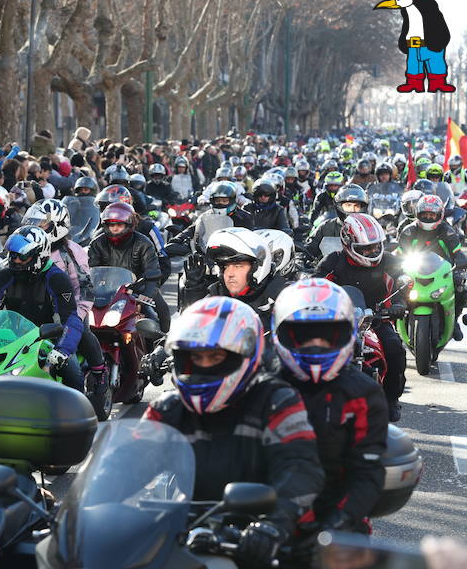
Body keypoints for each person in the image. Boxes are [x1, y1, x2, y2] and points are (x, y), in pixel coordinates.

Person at [142, 297, 324, 568]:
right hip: (184, 537)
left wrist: (272, 526)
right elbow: (123, 464)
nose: (204, 365)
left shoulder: (277, 401)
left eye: (215, 357)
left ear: (243, 355)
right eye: (196, 357)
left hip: (269, 544)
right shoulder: (167, 409)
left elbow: (300, 468)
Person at [272, 279, 388, 551]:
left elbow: (368, 473)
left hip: (337, 525)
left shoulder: (363, 394)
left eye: (326, 334)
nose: (315, 344)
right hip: (265, 521)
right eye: (304, 335)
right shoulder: (263, 386)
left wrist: (338, 522)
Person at [0, 226, 85, 388]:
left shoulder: (57, 279)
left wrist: (63, 350)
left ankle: (79, 411)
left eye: (22, 256)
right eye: (13, 255)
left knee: (73, 374)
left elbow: (70, 318)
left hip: (49, 342)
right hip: (12, 341)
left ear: (39, 255)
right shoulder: (4, 276)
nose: (16, 260)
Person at [314, 213, 407, 422]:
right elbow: (316, 286)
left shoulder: (388, 261)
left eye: (375, 246)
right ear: (348, 243)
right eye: (365, 249)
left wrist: (399, 304)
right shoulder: (333, 261)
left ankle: (391, 399)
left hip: (377, 319)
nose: (372, 252)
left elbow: (401, 286)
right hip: (338, 322)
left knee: (395, 349)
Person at [22, 199, 108, 389]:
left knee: (83, 333)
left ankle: (99, 371)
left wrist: (75, 316)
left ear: (58, 226)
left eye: (41, 224)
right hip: (33, 310)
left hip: (66, 312)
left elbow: (85, 290)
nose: (35, 228)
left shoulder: (72, 253)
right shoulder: (25, 248)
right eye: (32, 222)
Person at [396, 194, 467, 340]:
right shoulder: (409, 231)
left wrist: (460, 259)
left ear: (439, 214)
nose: (428, 217)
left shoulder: (447, 230)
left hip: (443, 271)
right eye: (425, 214)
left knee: (460, 287)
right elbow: (399, 254)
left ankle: (453, 321)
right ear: (418, 214)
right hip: (413, 270)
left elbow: (456, 251)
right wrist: (393, 266)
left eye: (432, 214)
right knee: (395, 287)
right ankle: (394, 322)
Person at [88, 202, 168, 331]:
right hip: (104, 291)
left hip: (136, 290)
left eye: (119, 224)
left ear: (129, 224)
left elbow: (152, 272)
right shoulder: (97, 243)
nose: (114, 228)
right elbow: (90, 271)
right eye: (111, 224)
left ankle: (160, 344)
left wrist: (146, 294)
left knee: (159, 314)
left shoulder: (143, 243)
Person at [206, 227, 285, 333]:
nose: (229, 274)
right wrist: (194, 290)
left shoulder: (281, 297)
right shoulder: (215, 296)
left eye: (238, 266)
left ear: (256, 268)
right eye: (225, 267)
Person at [305, 184, 369, 261]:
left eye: (357, 206)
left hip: (361, 271)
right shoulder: (325, 227)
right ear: (339, 206)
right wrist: (301, 261)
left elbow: (380, 252)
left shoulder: (369, 228)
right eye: (348, 205)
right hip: (329, 270)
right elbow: (307, 250)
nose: (353, 210)